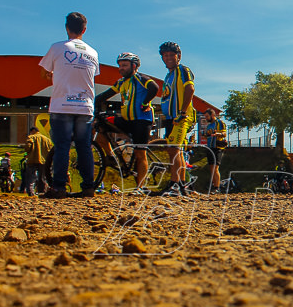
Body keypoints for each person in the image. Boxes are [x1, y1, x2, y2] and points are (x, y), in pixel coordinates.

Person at [38, 11, 99, 198]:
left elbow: (43, 72)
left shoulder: (57, 48)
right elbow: (92, 75)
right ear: (84, 29)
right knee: (84, 146)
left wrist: (51, 75)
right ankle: (89, 186)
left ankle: (59, 187)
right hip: (85, 105)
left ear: (66, 28)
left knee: (63, 146)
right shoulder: (93, 52)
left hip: (62, 104)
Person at [94, 52, 159, 191]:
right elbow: (105, 95)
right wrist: (91, 102)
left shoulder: (140, 78)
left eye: (124, 65)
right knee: (100, 125)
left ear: (134, 66)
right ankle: (111, 157)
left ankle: (140, 187)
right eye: (120, 65)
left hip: (142, 120)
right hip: (126, 119)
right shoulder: (121, 82)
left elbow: (154, 87)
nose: (121, 68)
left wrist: (145, 102)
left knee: (140, 153)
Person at [157, 41, 195, 196]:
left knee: (174, 149)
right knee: (175, 151)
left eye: (171, 55)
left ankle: (174, 185)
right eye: (165, 55)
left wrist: (182, 111)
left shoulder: (182, 70)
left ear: (178, 56)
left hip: (181, 116)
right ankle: (181, 184)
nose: (168, 58)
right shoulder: (169, 75)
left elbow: (190, 88)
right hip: (171, 117)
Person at [202, 108, 228, 192]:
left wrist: (218, 134)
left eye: (207, 116)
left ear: (212, 115)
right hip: (210, 147)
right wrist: (204, 134)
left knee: (215, 168)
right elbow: (207, 135)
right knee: (211, 167)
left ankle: (217, 187)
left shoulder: (219, 123)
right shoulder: (209, 125)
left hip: (217, 147)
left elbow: (224, 134)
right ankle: (214, 186)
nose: (206, 118)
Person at [23, 126, 53, 196]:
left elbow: (27, 148)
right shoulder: (47, 139)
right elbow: (50, 151)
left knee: (31, 178)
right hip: (44, 161)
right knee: (42, 178)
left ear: (32, 131)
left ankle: (31, 193)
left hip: (32, 160)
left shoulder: (31, 137)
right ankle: (42, 192)